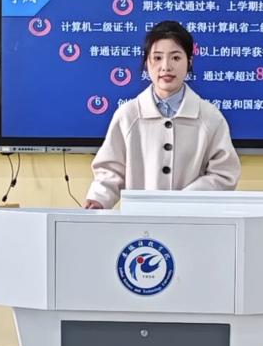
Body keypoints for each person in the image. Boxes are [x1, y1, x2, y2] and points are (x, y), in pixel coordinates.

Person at [85, 20, 241, 209]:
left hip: (192, 218)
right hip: (140, 220)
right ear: (146, 63)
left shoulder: (210, 117)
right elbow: (111, 170)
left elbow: (224, 174)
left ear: (189, 62)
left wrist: (184, 200)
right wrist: (98, 199)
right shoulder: (128, 115)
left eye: (176, 58)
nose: (166, 66)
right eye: (157, 58)